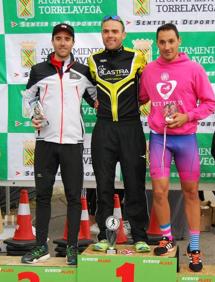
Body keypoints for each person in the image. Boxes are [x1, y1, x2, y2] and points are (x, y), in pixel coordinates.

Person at [139, 23, 215, 272]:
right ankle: (167, 239)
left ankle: (194, 247)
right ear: (157, 43)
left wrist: (187, 116)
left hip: (185, 139)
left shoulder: (193, 68)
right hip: (160, 139)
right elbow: (140, 98)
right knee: (159, 192)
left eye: (171, 41)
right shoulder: (149, 70)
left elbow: (210, 103)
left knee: (191, 192)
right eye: (162, 42)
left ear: (179, 41)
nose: (167, 46)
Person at [21, 23, 96, 265]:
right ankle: (40, 246)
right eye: (58, 38)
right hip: (45, 142)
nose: (63, 43)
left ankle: (72, 248)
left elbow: (97, 99)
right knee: (43, 195)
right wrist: (33, 115)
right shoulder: (39, 70)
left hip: (73, 142)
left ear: (73, 43)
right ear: (53, 41)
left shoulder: (83, 72)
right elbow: (27, 99)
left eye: (67, 39)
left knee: (74, 197)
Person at [87, 15, 150, 253]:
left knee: (135, 183)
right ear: (102, 34)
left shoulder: (137, 57)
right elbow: (86, 87)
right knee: (103, 185)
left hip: (130, 127)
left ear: (123, 35)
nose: (110, 35)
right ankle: (104, 235)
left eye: (115, 31)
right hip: (104, 129)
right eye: (106, 31)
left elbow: (147, 87)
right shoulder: (93, 60)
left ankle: (140, 236)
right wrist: (92, 101)